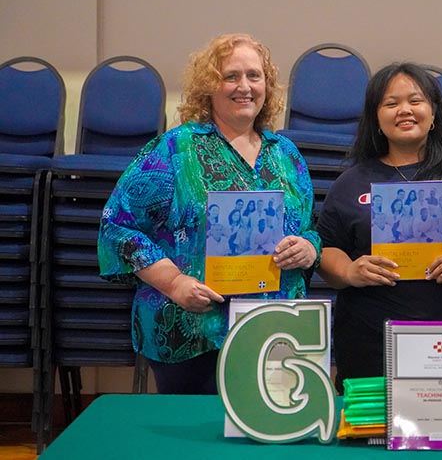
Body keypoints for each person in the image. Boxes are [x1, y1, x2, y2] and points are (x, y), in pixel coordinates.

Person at [98, 33, 321, 395]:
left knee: (262, 445)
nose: (244, 86)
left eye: (254, 76)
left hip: (270, 329)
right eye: (231, 76)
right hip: (191, 330)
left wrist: (309, 249)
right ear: (209, 87)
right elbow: (118, 228)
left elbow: (309, 228)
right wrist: (174, 283)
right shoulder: (176, 148)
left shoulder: (287, 154)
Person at [316, 62, 442, 393]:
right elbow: (327, 248)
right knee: (369, 436)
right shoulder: (351, 181)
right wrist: (349, 271)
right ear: (376, 118)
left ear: (434, 113)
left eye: (415, 100)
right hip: (368, 340)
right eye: (391, 103)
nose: (404, 110)